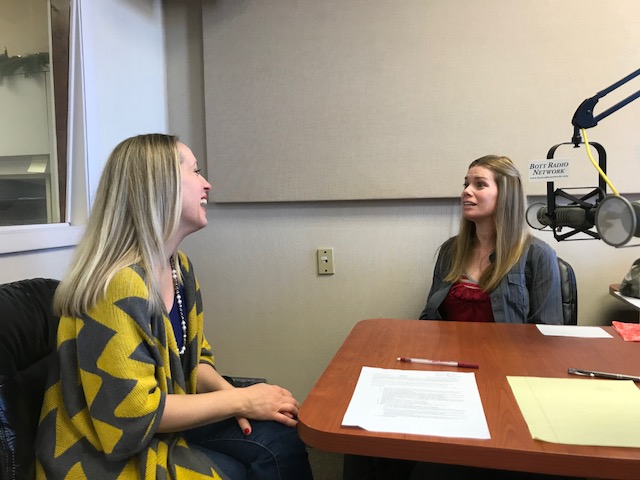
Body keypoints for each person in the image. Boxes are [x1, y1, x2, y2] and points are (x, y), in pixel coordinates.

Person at [35, 134, 313, 479]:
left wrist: (247, 405)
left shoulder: (178, 267)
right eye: (195, 172)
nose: (207, 184)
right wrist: (243, 400)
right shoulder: (117, 287)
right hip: (105, 455)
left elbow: (196, 363)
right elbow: (132, 414)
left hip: (161, 425)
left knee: (281, 438)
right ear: (160, 187)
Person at [420, 154, 563, 325]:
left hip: (509, 351)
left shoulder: (539, 255)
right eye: (466, 184)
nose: (466, 191)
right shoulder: (450, 250)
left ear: (506, 195)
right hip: (450, 351)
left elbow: (547, 333)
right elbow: (429, 317)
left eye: (479, 184)